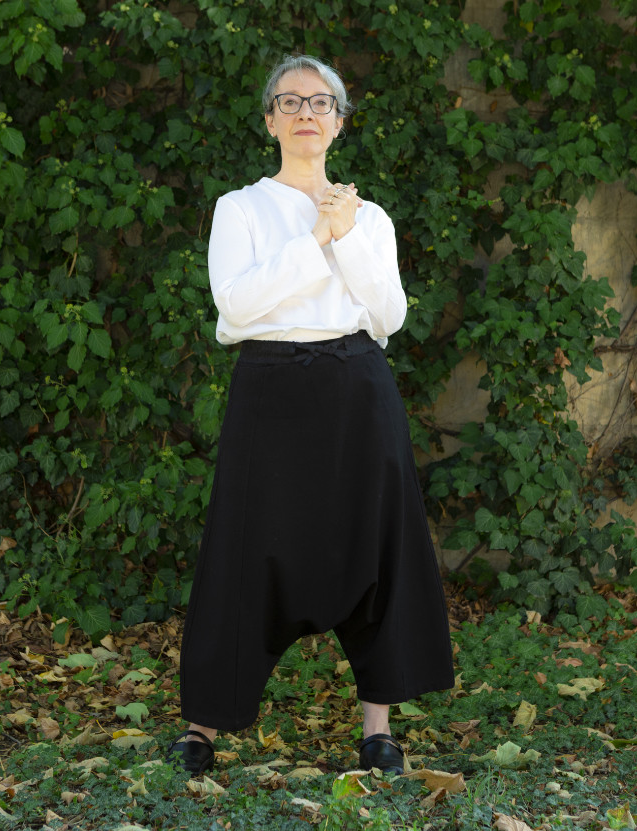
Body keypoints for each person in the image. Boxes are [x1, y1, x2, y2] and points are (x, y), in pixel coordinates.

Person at [168, 54, 455, 776]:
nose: (305, 112)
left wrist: (347, 233)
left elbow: (387, 315)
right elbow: (238, 305)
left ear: (339, 122)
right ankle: (203, 726)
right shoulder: (241, 208)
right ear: (270, 121)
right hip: (270, 390)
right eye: (290, 101)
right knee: (245, 547)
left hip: (358, 388)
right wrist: (319, 240)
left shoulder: (370, 217)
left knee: (375, 545)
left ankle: (378, 730)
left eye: (321, 102)